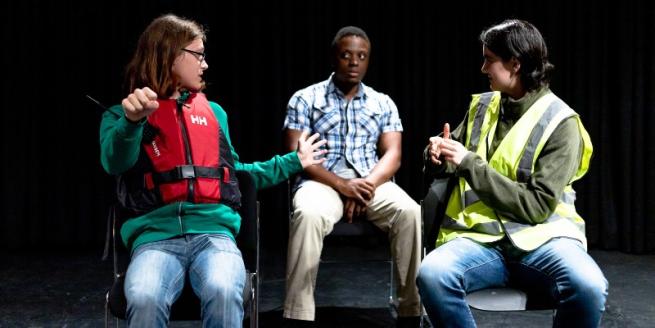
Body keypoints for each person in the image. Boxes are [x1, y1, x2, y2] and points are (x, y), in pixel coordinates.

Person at [99, 14, 326, 327]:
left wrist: (294, 161)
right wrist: (132, 123)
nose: (205, 65)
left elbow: (238, 176)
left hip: (214, 236)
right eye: (199, 55)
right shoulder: (122, 115)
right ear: (170, 55)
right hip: (155, 240)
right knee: (144, 296)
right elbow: (115, 162)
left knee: (223, 289)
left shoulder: (214, 113)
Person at [417, 19, 608, 327]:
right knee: (433, 274)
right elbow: (457, 156)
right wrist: (438, 155)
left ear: (515, 64)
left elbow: (536, 207)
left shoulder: (562, 124)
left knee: (589, 286)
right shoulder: (482, 107)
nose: (483, 68)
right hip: (479, 241)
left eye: (489, 60)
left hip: (543, 242)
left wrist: (466, 161)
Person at [281, 26, 422, 328]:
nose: (354, 62)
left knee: (410, 212)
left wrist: (365, 186)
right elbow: (297, 156)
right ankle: (298, 314)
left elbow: (393, 155)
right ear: (334, 58)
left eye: (362, 56)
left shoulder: (382, 102)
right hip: (320, 179)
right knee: (308, 213)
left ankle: (410, 310)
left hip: (372, 179)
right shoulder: (306, 99)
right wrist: (343, 185)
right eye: (346, 56)